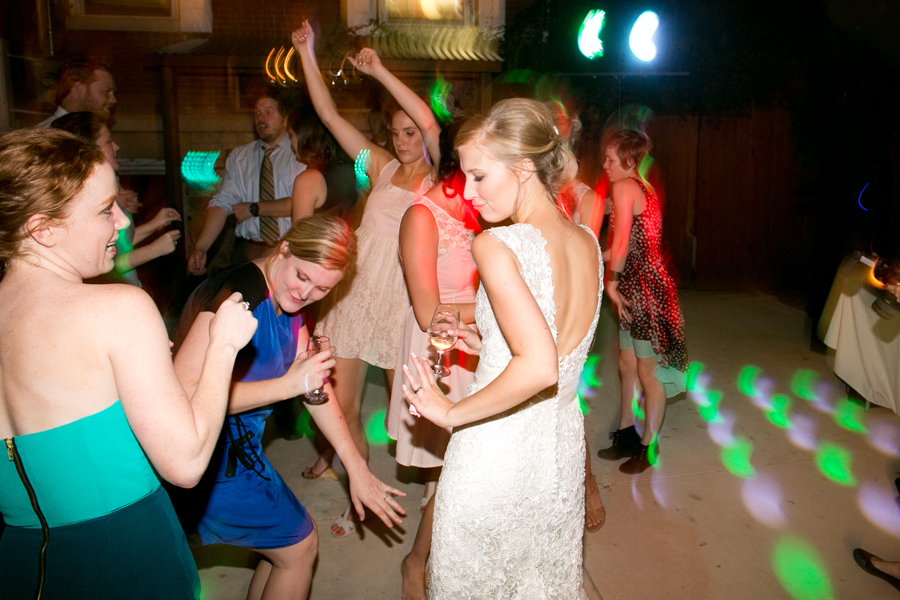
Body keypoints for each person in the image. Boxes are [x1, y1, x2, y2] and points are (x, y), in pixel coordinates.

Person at [0, 128, 257, 597]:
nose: (121, 222)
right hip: (125, 551)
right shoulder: (117, 309)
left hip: (21, 559)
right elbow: (186, 461)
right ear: (42, 228)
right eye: (104, 210)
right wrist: (223, 346)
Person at [402, 98, 602, 599]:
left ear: (524, 167)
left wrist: (450, 412)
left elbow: (538, 366)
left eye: (479, 176)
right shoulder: (585, 240)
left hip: (497, 450)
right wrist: (485, 342)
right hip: (557, 453)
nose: (468, 193)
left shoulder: (497, 245)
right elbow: (552, 341)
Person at [173, 214, 404, 600]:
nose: (306, 293)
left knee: (288, 544)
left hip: (243, 451)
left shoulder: (289, 302)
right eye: (302, 276)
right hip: (209, 457)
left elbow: (314, 390)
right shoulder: (241, 296)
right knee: (299, 547)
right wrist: (285, 386)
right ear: (284, 248)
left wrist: (357, 466)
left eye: (321, 289)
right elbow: (183, 394)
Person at [292, 23, 439, 538]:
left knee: (418, 415)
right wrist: (307, 52)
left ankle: (439, 493)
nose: (402, 142)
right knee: (340, 404)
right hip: (355, 299)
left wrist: (379, 71)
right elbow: (330, 116)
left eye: (411, 132)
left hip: (407, 304)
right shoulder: (377, 167)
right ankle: (365, 487)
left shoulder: (441, 179)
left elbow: (426, 116)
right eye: (396, 133)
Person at [387, 122, 480, 600]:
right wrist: (498, 306)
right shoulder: (420, 217)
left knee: (469, 463)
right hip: (440, 347)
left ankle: (443, 550)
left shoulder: (485, 211)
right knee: (455, 463)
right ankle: (416, 562)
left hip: (483, 344)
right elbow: (427, 311)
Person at [596, 128, 688, 474]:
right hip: (643, 287)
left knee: (649, 374)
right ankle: (626, 432)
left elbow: (620, 247)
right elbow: (625, 243)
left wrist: (610, 280)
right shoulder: (641, 188)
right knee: (626, 365)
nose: (604, 164)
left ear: (629, 161)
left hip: (644, 292)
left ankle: (648, 444)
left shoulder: (624, 188)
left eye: (610, 158)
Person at [51, 111, 181, 285]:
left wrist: (154, 225)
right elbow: (103, 266)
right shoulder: (78, 199)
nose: (116, 146)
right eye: (108, 141)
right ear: (89, 148)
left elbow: (117, 245)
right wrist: (153, 250)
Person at [188, 89, 305, 275]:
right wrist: (201, 247)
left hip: (288, 250)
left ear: (285, 119)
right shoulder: (239, 156)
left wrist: (254, 208)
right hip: (248, 251)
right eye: (257, 112)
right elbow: (222, 202)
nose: (260, 118)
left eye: (268, 112)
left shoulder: (299, 153)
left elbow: (301, 202)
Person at [287, 105, 357, 222]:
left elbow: (299, 237)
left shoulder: (308, 180)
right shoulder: (350, 168)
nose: (290, 142)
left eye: (291, 135)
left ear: (303, 135)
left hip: (321, 240)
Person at [35, 57, 117, 129]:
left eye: (113, 93)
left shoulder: (94, 130)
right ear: (80, 89)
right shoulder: (49, 136)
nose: (113, 100)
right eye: (106, 92)